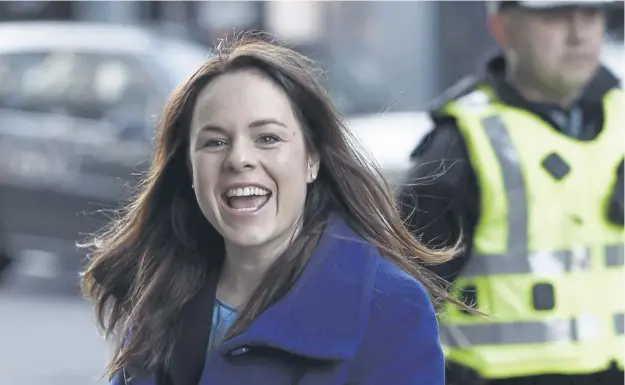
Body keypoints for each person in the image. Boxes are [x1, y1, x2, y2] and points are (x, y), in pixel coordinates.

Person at [81, 34, 461, 385]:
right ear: (189, 169)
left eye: (267, 138)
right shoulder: (157, 293)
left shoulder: (390, 307)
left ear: (312, 158)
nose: (239, 159)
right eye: (214, 142)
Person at [399, 1, 624, 385]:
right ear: (502, 27)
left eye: (590, 14)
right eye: (555, 16)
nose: (579, 34)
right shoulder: (460, 144)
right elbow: (401, 307)